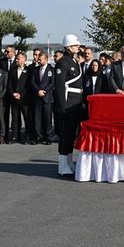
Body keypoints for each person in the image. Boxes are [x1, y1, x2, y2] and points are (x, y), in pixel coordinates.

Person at [54, 34, 84, 175]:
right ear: (68, 47)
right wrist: (62, 107)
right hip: (67, 103)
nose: (78, 47)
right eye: (75, 45)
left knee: (71, 135)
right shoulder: (63, 62)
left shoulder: (74, 61)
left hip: (76, 102)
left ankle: (69, 162)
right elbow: (60, 87)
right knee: (65, 135)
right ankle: (62, 166)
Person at [8, 52, 33, 144]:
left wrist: (21, 94)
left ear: (24, 59)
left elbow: (29, 85)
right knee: (15, 118)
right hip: (14, 98)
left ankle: (28, 136)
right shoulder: (13, 70)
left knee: (27, 118)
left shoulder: (29, 70)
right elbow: (9, 83)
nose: (17, 60)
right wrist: (12, 93)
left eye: (18, 59)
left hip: (25, 99)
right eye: (16, 59)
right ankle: (15, 136)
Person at [30, 52, 55, 145]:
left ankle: (48, 137)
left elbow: (52, 83)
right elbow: (32, 81)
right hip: (37, 97)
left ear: (46, 59)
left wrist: (44, 91)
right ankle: (38, 136)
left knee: (47, 118)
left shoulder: (51, 69)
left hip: (47, 97)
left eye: (40, 59)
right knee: (37, 118)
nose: (38, 61)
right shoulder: (35, 70)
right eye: (38, 59)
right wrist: (38, 91)